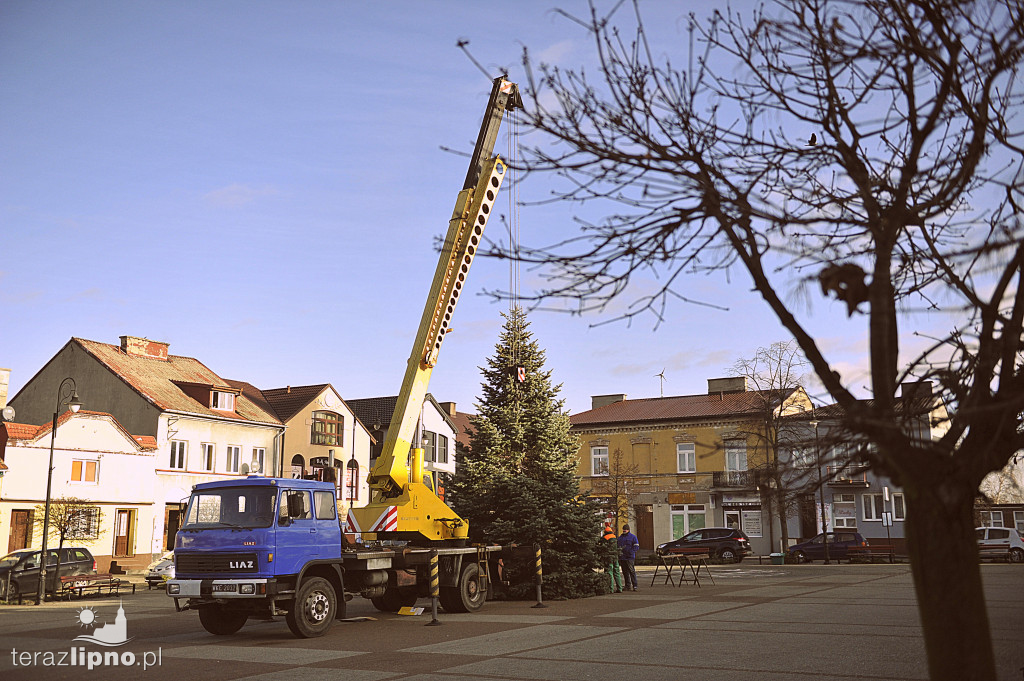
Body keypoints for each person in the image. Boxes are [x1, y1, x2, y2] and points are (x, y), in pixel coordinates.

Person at [618, 523, 640, 591]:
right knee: (625, 572)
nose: (624, 531)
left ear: (628, 530)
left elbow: (636, 546)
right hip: (623, 557)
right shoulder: (620, 538)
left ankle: (635, 585)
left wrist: (631, 552)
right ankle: (628, 585)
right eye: (624, 529)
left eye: (626, 530)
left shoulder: (633, 537)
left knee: (631, 571)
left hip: (629, 557)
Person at [603, 523, 623, 593]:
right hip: (615, 557)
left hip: (609, 557)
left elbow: (603, 547)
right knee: (617, 572)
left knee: (610, 573)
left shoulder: (605, 538)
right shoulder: (614, 537)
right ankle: (620, 588)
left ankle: (610, 589)